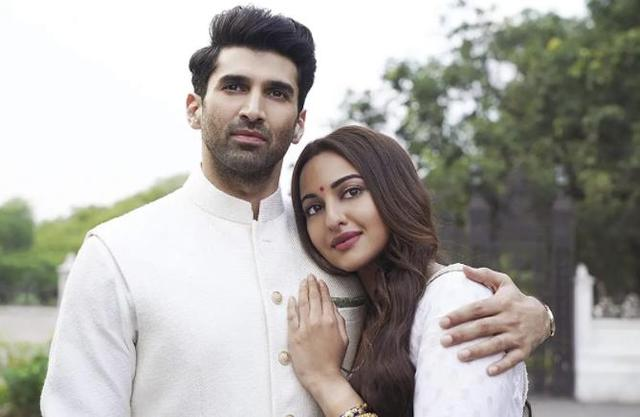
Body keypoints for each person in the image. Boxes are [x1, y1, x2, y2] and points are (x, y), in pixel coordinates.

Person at [41, 6, 551, 417]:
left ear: (299, 121)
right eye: (234, 86)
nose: (253, 109)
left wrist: (538, 316)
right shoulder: (118, 255)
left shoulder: (337, 245)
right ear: (195, 108)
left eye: (276, 93)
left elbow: (426, 290)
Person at [287, 126, 531, 417]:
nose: (332, 219)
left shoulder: (456, 299)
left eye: (351, 192)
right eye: (314, 208)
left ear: (394, 190)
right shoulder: (370, 311)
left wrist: (326, 382)